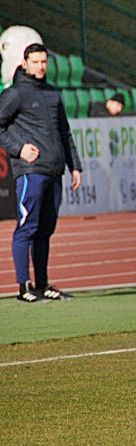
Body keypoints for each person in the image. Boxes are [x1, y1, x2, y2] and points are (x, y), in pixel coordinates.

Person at [0, 43, 83, 302]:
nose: (41, 66)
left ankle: (43, 284)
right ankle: (24, 287)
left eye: (44, 61)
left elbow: (65, 132)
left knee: (45, 230)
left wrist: (75, 165)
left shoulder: (51, 93)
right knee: (27, 227)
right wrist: (19, 149)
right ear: (25, 63)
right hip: (30, 171)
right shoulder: (15, 94)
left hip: (54, 170)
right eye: (35, 62)